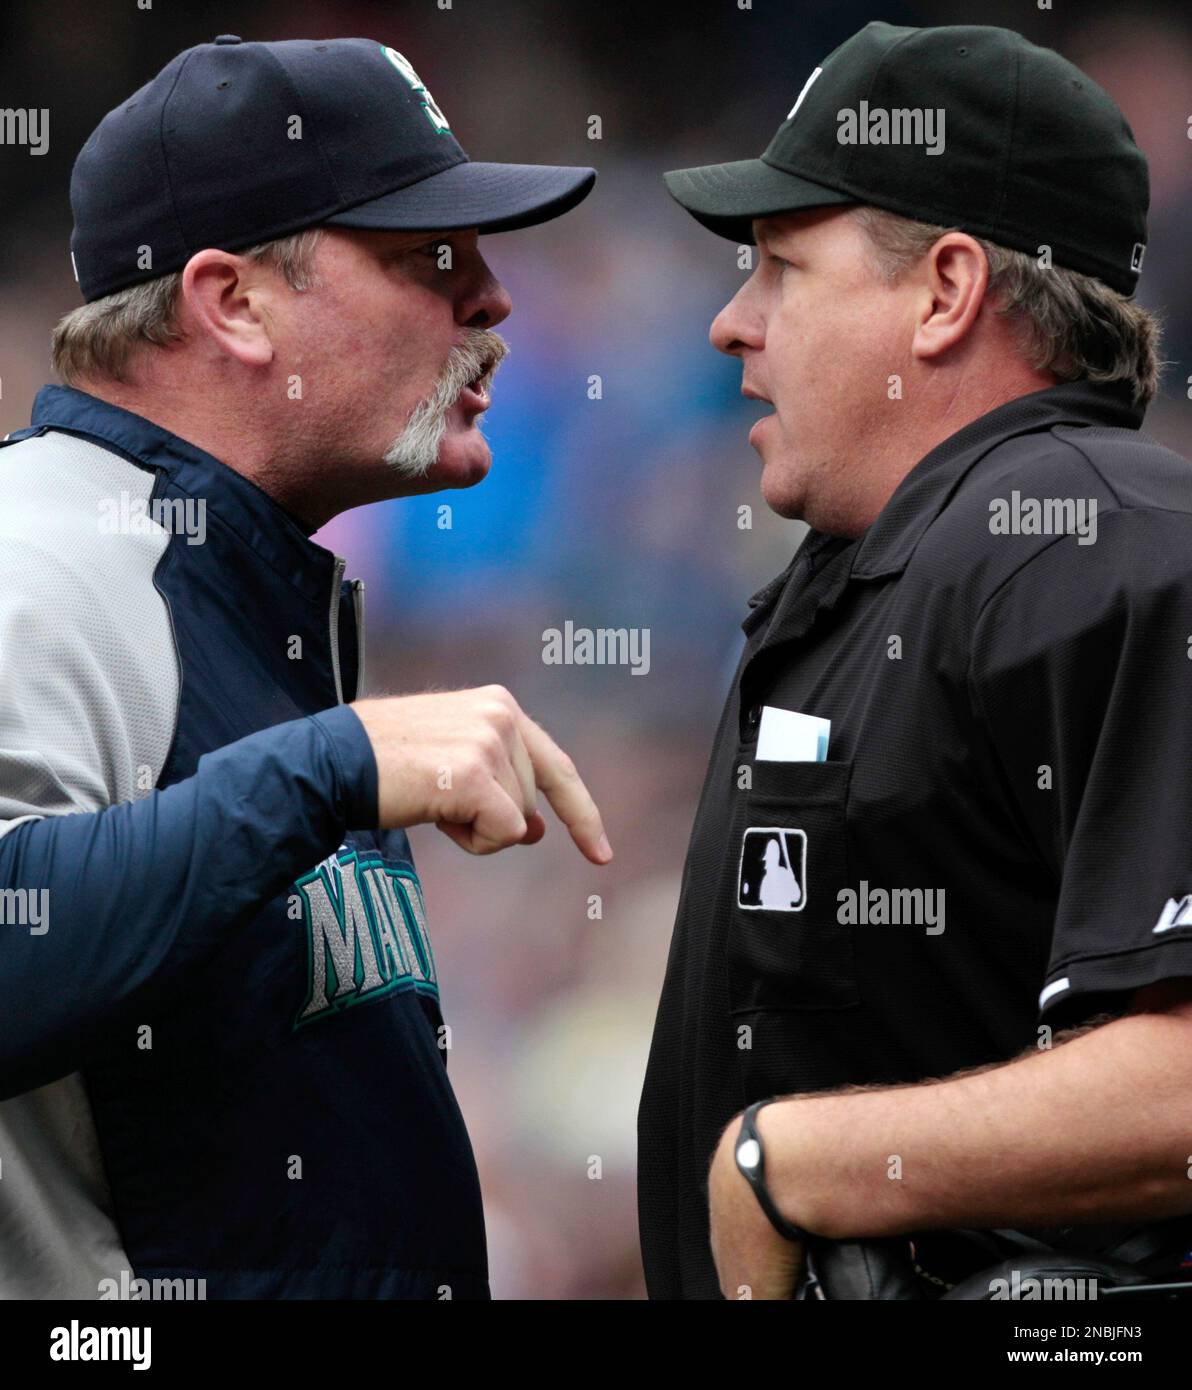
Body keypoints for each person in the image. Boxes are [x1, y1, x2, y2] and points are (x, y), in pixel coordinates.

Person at [0, 34, 610, 1300]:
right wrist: (328, 764)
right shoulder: (40, 559)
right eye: (429, 256)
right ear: (233, 302)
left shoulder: (240, 577)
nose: (492, 297)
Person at [638, 20, 1192, 1300]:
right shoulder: (896, 563)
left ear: (946, 291)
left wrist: (797, 1161)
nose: (730, 323)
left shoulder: (1097, 541)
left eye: (781, 267)